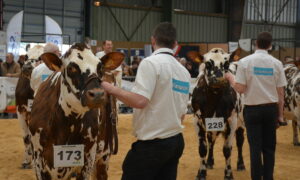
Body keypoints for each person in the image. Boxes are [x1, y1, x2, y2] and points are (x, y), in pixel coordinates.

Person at [101, 22, 190, 180]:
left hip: (152, 144)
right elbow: (182, 114)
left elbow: (140, 101)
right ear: (175, 44)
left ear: (153, 41)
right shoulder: (183, 71)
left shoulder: (150, 63)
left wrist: (112, 89)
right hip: (175, 141)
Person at [225, 31, 287, 180]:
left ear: (255, 44)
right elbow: (281, 94)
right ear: (270, 46)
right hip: (271, 109)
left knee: (255, 148)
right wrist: (280, 115)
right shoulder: (277, 64)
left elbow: (240, 89)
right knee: (269, 148)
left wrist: (231, 79)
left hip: (252, 110)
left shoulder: (245, 62)